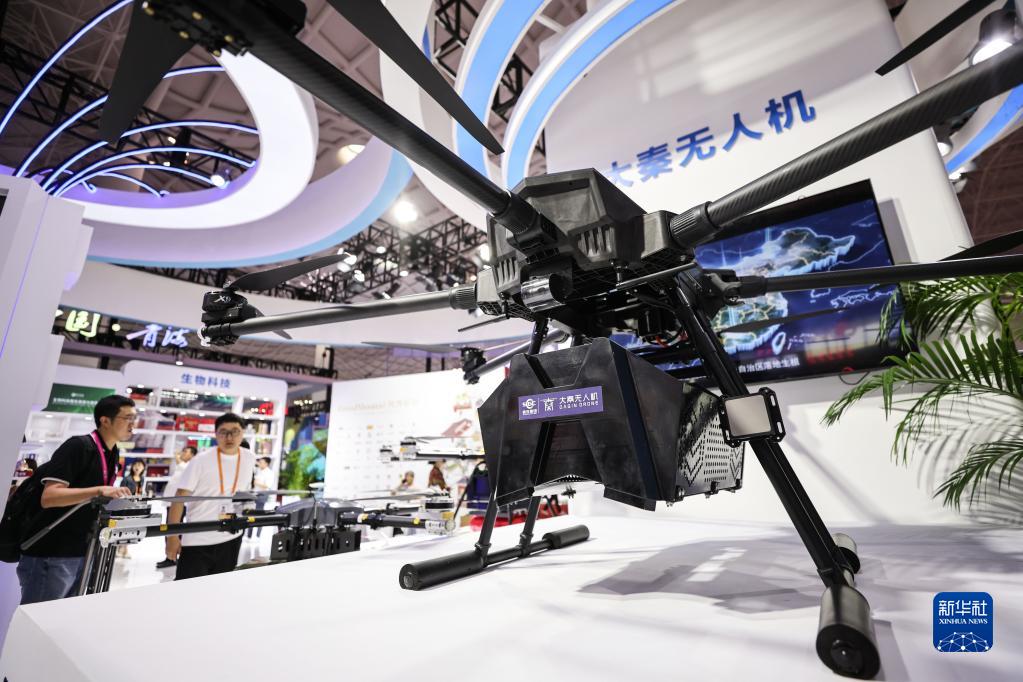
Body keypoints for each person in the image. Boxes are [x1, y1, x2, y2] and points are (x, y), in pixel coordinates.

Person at [17, 395, 134, 604]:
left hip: (82, 551)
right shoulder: (78, 446)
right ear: (105, 420)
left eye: (134, 418)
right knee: (39, 618)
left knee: (60, 617)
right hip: (52, 552)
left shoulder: (113, 453)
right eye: (127, 418)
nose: (133, 424)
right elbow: (49, 497)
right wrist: (99, 490)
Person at [167, 414, 255, 580]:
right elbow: (179, 497)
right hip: (198, 539)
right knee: (188, 590)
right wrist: (172, 537)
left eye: (235, 431)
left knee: (219, 589)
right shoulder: (201, 460)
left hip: (231, 536)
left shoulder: (249, 458)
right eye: (223, 432)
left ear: (243, 433)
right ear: (216, 434)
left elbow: (244, 491)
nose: (229, 437)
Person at [155, 445, 196, 569]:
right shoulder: (182, 466)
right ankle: (171, 556)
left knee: (173, 529)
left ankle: (173, 557)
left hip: (178, 505)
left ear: (192, 455)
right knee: (170, 529)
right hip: (171, 503)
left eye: (186, 451)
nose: (182, 453)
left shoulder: (189, 466)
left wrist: (177, 456)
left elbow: (180, 464)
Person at [247, 457, 273, 539]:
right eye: (259, 462)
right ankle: (249, 535)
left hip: (262, 495)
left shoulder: (269, 473)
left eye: (261, 462)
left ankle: (257, 535)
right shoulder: (259, 471)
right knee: (251, 514)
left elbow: (267, 486)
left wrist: (256, 483)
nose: (259, 464)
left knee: (258, 515)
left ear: (266, 464)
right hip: (255, 494)